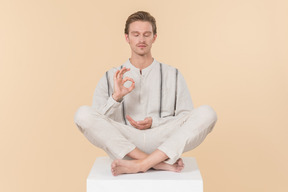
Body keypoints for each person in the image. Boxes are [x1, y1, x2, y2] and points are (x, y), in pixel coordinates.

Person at [74, 11, 217, 176]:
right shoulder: (110, 76)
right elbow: (97, 123)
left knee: (207, 113)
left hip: (163, 140)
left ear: (154, 37)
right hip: (126, 142)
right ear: (127, 38)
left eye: (146, 34)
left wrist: (155, 123)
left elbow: (185, 119)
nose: (141, 40)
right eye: (136, 34)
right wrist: (116, 98)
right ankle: (156, 164)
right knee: (82, 114)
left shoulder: (173, 74)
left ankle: (141, 164)